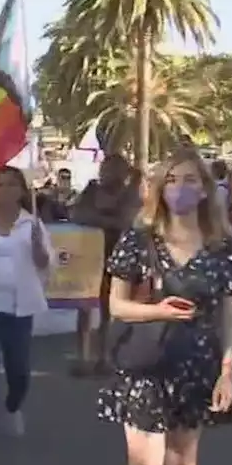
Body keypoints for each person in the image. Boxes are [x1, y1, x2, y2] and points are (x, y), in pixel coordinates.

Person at [97, 148, 232, 465]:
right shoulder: (138, 240)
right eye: (173, 179)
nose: (182, 187)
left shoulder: (222, 247)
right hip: (145, 362)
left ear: (206, 189)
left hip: (197, 364)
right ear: (161, 188)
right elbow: (116, 306)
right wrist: (155, 310)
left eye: (191, 180)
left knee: (183, 460)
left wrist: (228, 369)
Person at [0, 165, 54, 457]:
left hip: (21, 307)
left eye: (10, 185)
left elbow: (46, 265)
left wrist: (37, 248)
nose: (4, 190)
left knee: (18, 369)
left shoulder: (32, 225)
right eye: (0, 184)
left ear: (21, 191)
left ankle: (13, 406)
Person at [70, 154, 139, 375]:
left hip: (117, 256)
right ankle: (84, 356)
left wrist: (99, 218)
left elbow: (129, 220)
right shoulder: (91, 191)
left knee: (111, 308)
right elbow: (77, 214)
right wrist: (108, 221)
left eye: (114, 169)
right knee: (85, 307)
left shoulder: (130, 195)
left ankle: (106, 356)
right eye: (106, 168)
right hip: (90, 255)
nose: (108, 173)